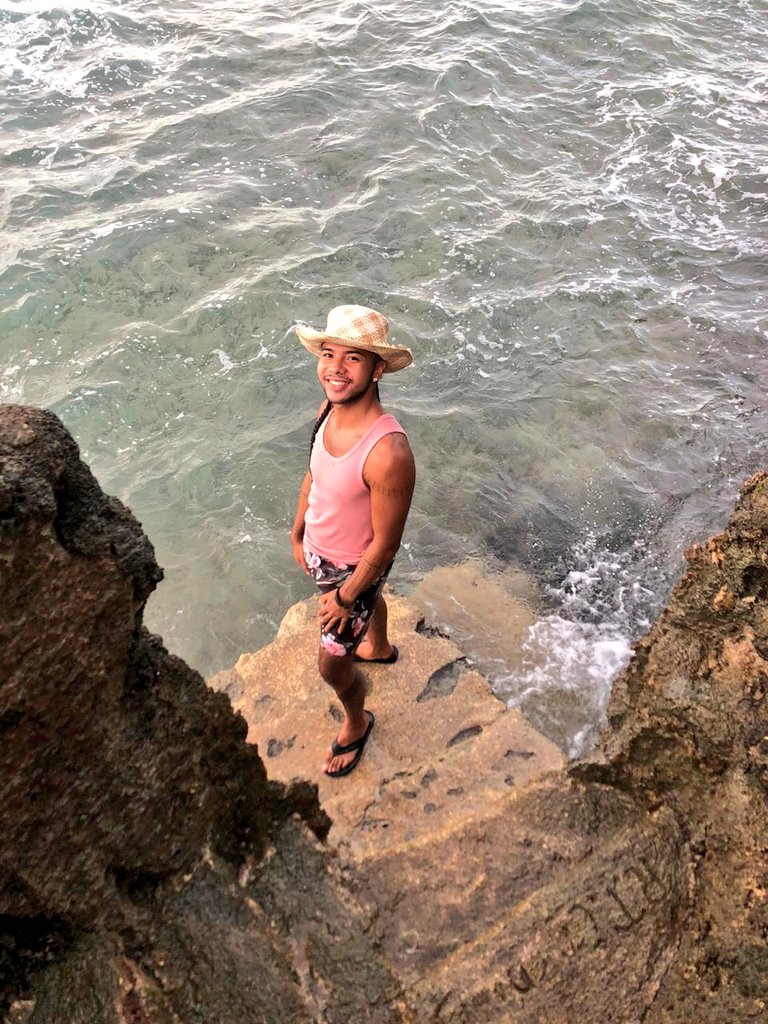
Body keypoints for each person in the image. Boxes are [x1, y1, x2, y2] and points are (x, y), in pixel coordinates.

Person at [290, 305, 416, 778]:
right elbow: (314, 475)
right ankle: (378, 647)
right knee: (367, 615)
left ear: (377, 369)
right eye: (328, 354)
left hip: (353, 571)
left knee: (331, 667)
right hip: (323, 554)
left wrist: (346, 598)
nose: (336, 368)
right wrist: (298, 530)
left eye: (353, 358)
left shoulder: (388, 452)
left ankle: (357, 721)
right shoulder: (327, 411)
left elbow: (384, 547)